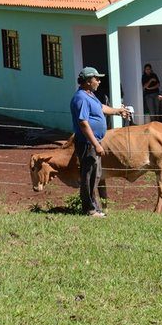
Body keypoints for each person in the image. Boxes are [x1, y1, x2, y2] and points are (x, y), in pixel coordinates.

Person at [70, 66, 129, 218]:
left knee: (95, 175)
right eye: (96, 78)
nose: (99, 81)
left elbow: (101, 108)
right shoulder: (81, 98)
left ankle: (94, 208)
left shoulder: (90, 95)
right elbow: (83, 123)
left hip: (93, 142)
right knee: (89, 175)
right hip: (88, 143)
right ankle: (90, 210)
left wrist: (118, 111)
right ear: (88, 81)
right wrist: (96, 144)